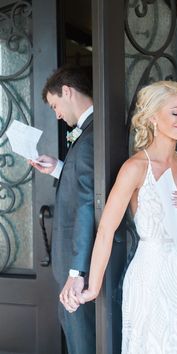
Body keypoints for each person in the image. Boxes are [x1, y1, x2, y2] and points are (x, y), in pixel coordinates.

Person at [75, 80, 177, 353]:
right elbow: (105, 230)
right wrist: (93, 287)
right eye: (175, 113)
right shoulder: (134, 168)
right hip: (150, 271)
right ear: (152, 117)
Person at [30, 64, 95, 354]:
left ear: (67, 91)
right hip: (72, 266)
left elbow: (86, 202)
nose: (56, 114)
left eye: (55, 105)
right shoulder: (87, 134)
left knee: (82, 341)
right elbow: (81, 180)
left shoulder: (92, 135)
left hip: (79, 266)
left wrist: (76, 270)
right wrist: (58, 167)